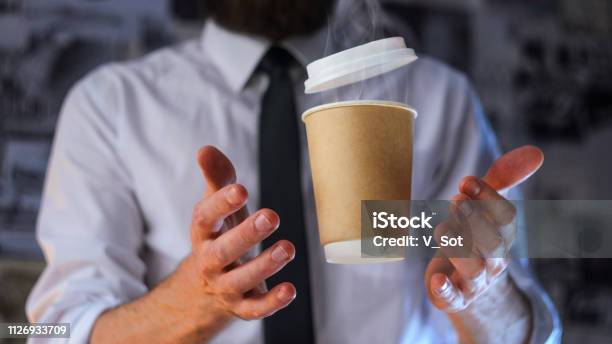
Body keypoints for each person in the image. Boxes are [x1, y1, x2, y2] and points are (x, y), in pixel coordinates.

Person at [26, 0, 561, 343]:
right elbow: (49, 333)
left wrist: (485, 293)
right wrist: (193, 303)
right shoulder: (110, 105)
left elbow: (529, 334)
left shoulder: (438, 97)